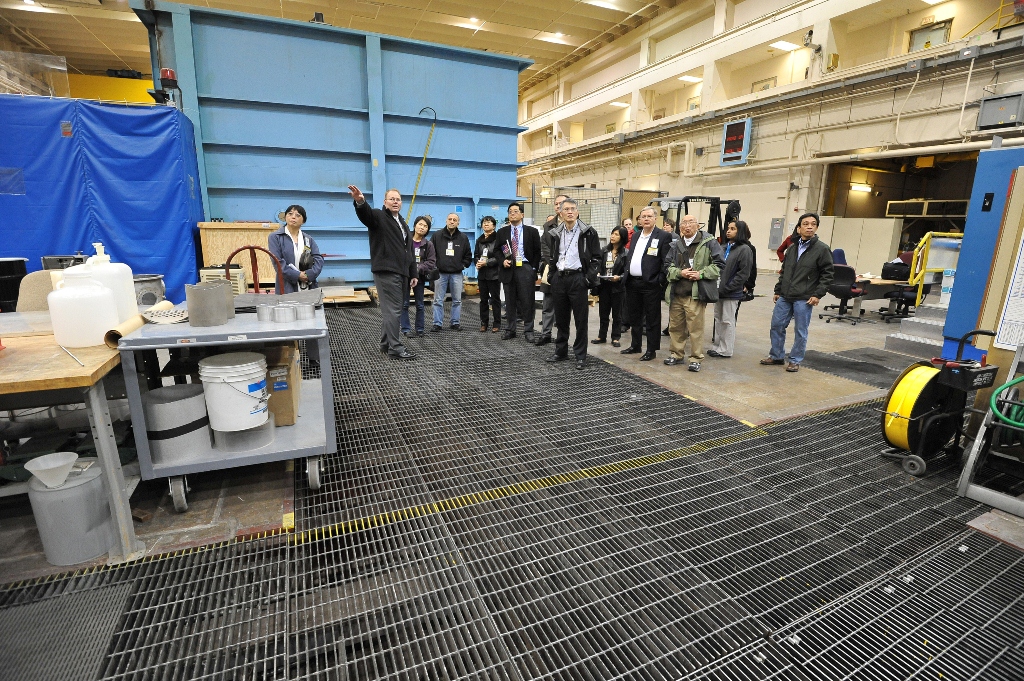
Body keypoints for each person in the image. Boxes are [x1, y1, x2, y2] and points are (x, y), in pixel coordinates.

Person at [348, 185, 416, 359]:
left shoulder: (402, 223)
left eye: (398, 199)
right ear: (385, 202)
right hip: (387, 271)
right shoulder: (378, 216)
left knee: (393, 310)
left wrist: (413, 273)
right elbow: (366, 215)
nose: (395, 202)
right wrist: (360, 202)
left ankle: (385, 344)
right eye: (392, 199)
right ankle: (395, 348)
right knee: (393, 310)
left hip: (402, 272)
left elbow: (409, 250)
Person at [761, 212, 834, 372]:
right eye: (806, 224)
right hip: (785, 295)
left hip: (804, 297)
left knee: (800, 330)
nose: (809, 227)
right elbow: (785, 271)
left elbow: (828, 274)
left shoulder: (822, 249)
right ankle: (777, 356)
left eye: (813, 224)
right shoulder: (792, 248)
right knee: (777, 325)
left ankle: (795, 360)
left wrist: (817, 294)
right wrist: (778, 289)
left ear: (816, 228)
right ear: (799, 228)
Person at [543, 199, 601, 370]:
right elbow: (553, 256)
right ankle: (561, 352)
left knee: (580, 320)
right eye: (566, 209)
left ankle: (580, 356)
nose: (570, 212)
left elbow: (597, 258)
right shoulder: (556, 233)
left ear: (577, 212)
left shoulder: (589, 232)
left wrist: (587, 279)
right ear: (560, 213)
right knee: (561, 319)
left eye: (573, 209)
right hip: (559, 279)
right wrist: (552, 275)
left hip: (578, 279)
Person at [663, 214, 725, 371]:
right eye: (684, 223)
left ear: (698, 226)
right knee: (676, 327)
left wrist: (701, 274)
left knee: (695, 329)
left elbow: (719, 265)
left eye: (691, 222)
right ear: (680, 227)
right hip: (677, 293)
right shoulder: (676, 244)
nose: (687, 225)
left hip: (695, 294)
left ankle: (696, 358)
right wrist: (680, 273)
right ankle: (676, 354)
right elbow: (667, 266)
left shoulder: (709, 243)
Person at [620, 207, 672, 361]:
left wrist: (659, 280)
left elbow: (666, 261)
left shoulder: (663, 236)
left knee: (652, 318)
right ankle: (635, 345)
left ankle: (651, 349)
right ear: (640, 220)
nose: (646, 219)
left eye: (649, 216)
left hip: (651, 284)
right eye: (643, 217)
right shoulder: (636, 235)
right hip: (633, 283)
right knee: (634, 317)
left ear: (656, 218)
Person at [495, 202, 541, 341]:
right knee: (509, 301)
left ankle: (529, 330)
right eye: (510, 211)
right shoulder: (502, 232)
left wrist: (533, 269)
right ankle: (510, 329)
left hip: (525, 268)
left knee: (527, 301)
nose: (512, 214)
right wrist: (502, 261)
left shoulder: (532, 231)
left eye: (515, 211)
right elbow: (497, 250)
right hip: (508, 268)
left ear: (522, 214)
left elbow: (537, 252)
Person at [708, 220, 754, 358]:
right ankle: (717, 346)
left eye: (733, 229)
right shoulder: (723, 247)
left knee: (727, 321)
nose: (728, 231)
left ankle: (726, 350)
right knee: (718, 319)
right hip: (719, 290)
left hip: (731, 292)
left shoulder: (745, 249)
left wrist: (730, 287)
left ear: (740, 231)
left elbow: (743, 273)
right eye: (728, 228)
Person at [534, 194, 569, 346]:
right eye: (556, 203)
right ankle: (545, 334)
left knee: (565, 307)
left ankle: (562, 337)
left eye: (561, 203)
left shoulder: (575, 224)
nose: (558, 206)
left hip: (570, 270)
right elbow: (544, 246)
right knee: (548, 304)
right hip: (551, 270)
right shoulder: (548, 225)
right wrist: (554, 263)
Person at [268, 205, 324, 293]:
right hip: (286, 286)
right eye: (290, 214)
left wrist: (308, 275)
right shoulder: (275, 237)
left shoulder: (308, 239)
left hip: (308, 285)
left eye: (298, 215)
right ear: (285, 217)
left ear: (303, 221)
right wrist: (297, 275)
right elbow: (277, 262)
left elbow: (318, 259)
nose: (293, 217)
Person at [430, 212, 472, 331]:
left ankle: (455, 322)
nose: (452, 221)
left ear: (458, 223)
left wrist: (463, 265)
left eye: (454, 220)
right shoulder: (437, 236)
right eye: (450, 219)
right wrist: (434, 266)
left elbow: (468, 255)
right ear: (446, 221)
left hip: (457, 274)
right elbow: (431, 253)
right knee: (438, 300)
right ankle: (437, 323)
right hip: (440, 273)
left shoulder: (463, 238)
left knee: (457, 300)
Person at [592, 226, 629, 347]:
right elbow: (598, 265)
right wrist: (597, 273)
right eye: (612, 233)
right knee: (603, 313)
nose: (613, 236)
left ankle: (616, 337)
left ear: (622, 238)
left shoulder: (626, 253)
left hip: (618, 287)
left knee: (617, 314)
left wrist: (620, 277)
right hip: (604, 285)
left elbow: (627, 271)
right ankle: (601, 336)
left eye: (616, 234)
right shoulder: (604, 251)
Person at [401, 215, 436, 337]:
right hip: (405, 276)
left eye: (425, 226)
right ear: (415, 225)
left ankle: (420, 329)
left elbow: (431, 262)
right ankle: (406, 329)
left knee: (420, 304)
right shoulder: (405, 241)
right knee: (404, 304)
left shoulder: (428, 244)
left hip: (420, 277)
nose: (422, 227)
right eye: (420, 224)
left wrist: (417, 269)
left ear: (427, 230)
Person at [474, 216, 502, 332]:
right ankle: (484, 322)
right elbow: (476, 255)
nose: (486, 224)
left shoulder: (498, 239)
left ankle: (497, 323)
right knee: (483, 300)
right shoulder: (479, 240)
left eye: (489, 222)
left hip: (494, 274)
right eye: (484, 223)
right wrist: (477, 263)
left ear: (494, 226)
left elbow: (500, 256)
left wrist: (486, 263)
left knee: (495, 300)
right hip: (482, 275)